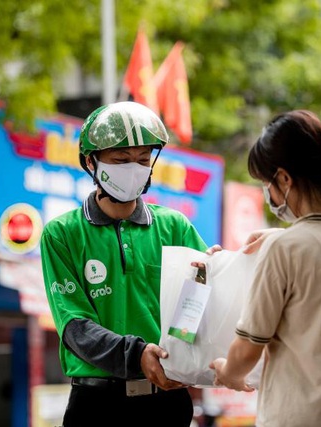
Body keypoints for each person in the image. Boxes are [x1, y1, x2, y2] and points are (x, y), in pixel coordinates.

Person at [209, 110, 321, 426]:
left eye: (267, 183)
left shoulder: (285, 250)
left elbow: (247, 351)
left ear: (284, 178)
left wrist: (227, 371)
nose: (269, 195)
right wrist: (282, 236)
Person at [41, 101, 208, 427]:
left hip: (168, 402)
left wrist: (217, 268)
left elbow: (201, 300)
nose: (134, 169)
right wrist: (137, 355)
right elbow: (75, 327)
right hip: (96, 406)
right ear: (91, 162)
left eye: (143, 160)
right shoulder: (62, 234)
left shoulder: (176, 227)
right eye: (120, 160)